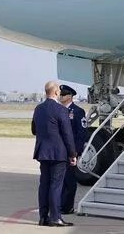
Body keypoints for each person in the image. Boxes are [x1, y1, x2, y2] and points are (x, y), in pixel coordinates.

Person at [31, 81, 77, 227]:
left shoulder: (38, 108)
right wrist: (72, 153)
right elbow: (67, 134)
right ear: (56, 92)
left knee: (44, 184)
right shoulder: (61, 110)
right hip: (58, 153)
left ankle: (43, 217)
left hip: (43, 152)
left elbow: (34, 130)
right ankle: (55, 217)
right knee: (56, 185)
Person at [59, 84, 87, 215]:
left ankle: (68, 206)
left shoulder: (77, 111)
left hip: (70, 152)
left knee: (69, 180)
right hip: (59, 151)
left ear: (70, 96)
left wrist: (75, 151)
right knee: (60, 180)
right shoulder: (58, 110)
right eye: (60, 94)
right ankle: (60, 204)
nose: (60, 96)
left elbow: (81, 133)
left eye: (63, 94)